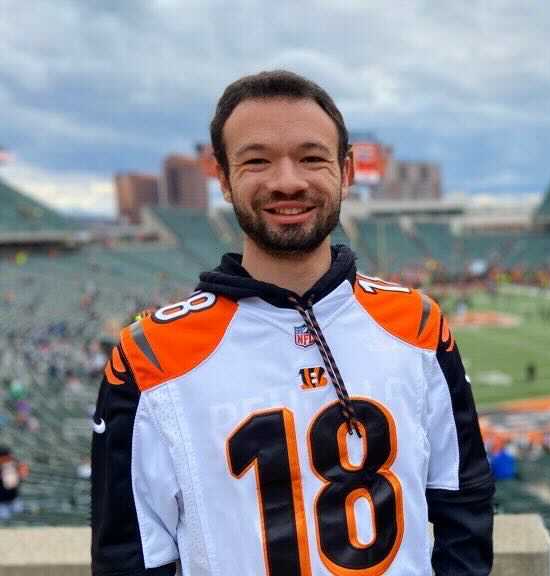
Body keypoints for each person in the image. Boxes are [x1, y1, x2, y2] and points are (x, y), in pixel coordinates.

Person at [91, 71, 494, 576]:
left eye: (311, 157)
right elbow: (130, 557)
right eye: (257, 160)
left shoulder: (417, 324)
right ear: (224, 177)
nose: (287, 181)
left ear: (346, 171)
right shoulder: (151, 357)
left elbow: (464, 503)